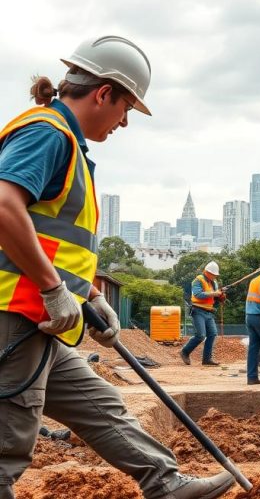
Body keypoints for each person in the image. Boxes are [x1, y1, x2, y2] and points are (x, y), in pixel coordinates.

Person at [0, 36, 235, 499]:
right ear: (102, 93)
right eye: (126, 107)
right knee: (8, 441)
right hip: (16, 314)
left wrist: (90, 295)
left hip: (43, 319)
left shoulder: (67, 145)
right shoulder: (48, 133)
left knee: (101, 406)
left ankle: (165, 483)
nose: (125, 122)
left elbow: (58, 241)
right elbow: (5, 205)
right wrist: (52, 289)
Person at [180, 261, 225, 366]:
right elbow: (198, 294)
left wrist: (220, 296)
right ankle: (185, 352)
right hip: (198, 310)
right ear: (207, 272)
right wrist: (215, 293)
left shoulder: (214, 283)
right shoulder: (198, 280)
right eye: (213, 274)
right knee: (200, 335)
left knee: (212, 334)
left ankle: (206, 359)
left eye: (215, 275)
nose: (214, 277)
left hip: (209, 312)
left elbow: (214, 297)